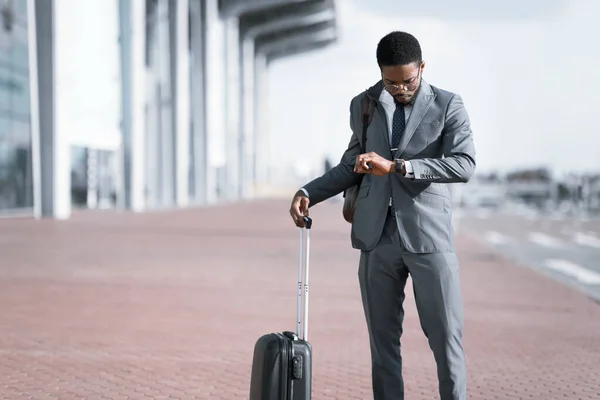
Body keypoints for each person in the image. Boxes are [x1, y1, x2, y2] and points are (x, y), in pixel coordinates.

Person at [289, 31, 476, 400]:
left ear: (422, 68)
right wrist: (308, 191)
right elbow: (351, 165)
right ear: (380, 72)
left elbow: (464, 164)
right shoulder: (365, 104)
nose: (400, 88)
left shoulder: (448, 104)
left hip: (429, 239)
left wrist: (398, 167)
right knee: (383, 346)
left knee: (446, 340)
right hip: (376, 239)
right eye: (391, 82)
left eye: (408, 81)